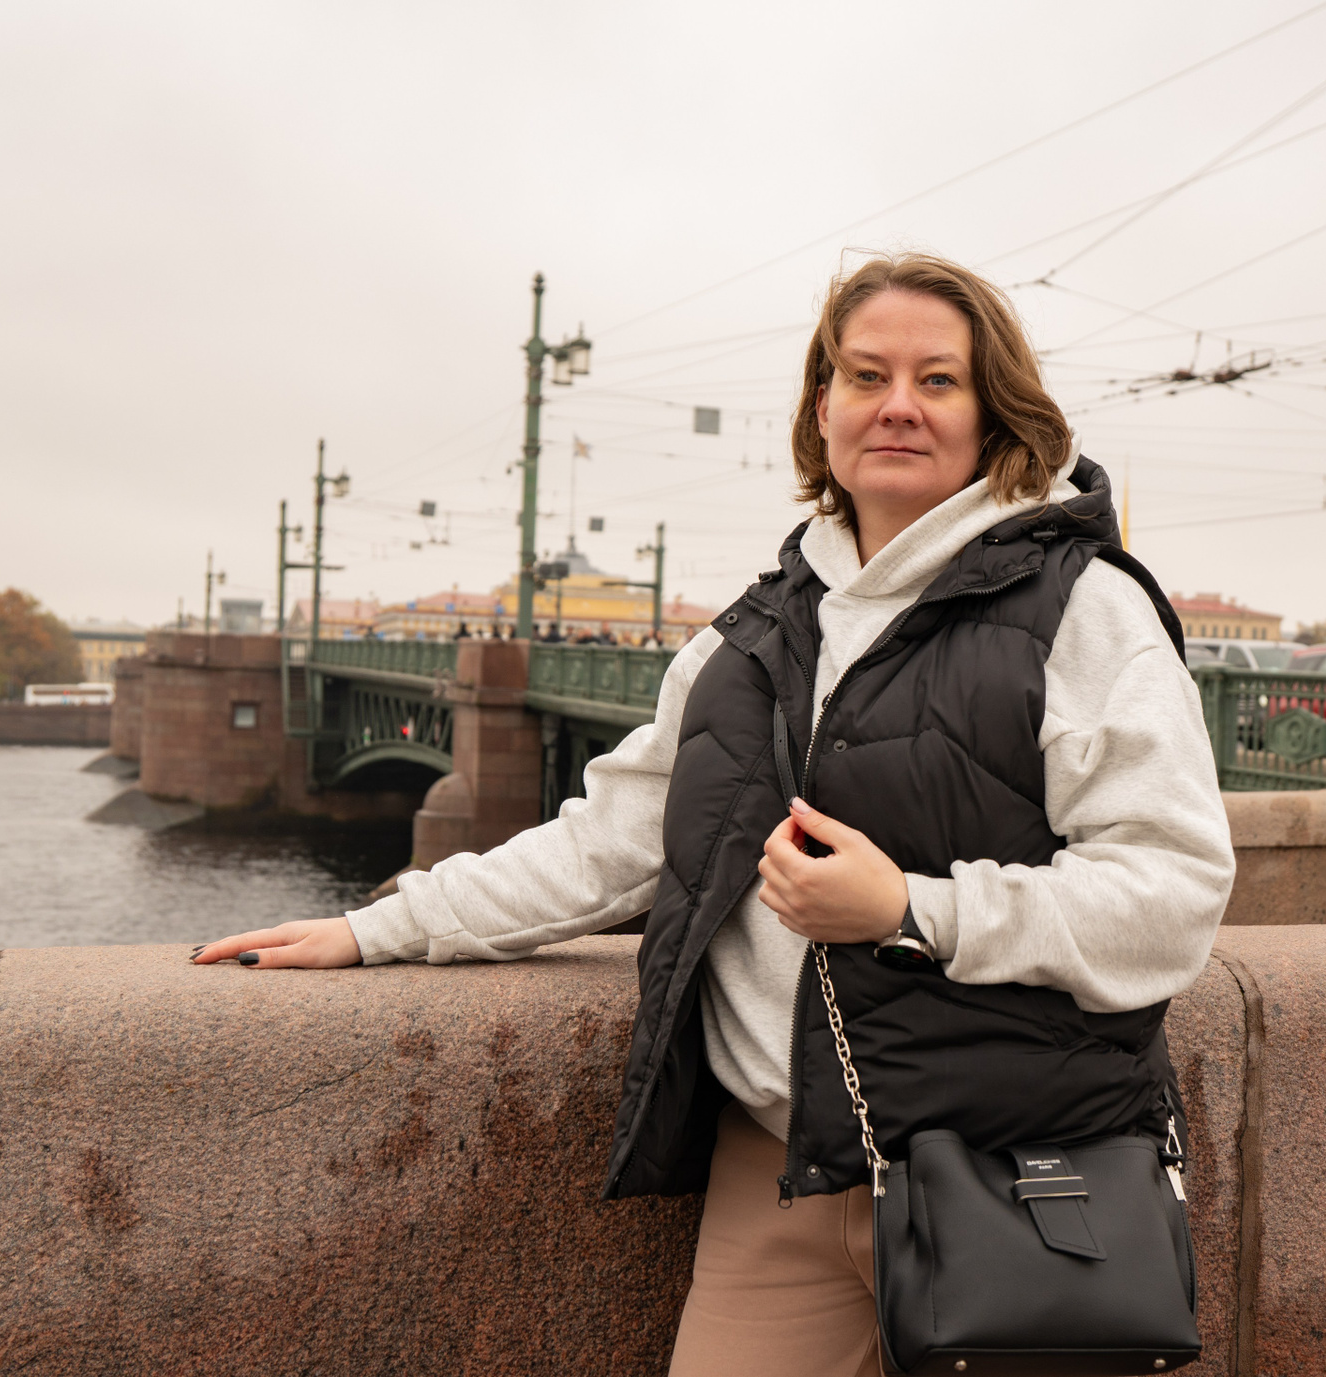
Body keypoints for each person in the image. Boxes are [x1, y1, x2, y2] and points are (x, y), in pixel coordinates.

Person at [194, 252, 1234, 1377]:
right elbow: (610, 841)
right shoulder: (750, 638)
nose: (897, 404)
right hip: (782, 1175)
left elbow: (1172, 894)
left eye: (938, 380)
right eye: (865, 375)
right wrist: (377, 927)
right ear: (822, 409)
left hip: (1023, 1178)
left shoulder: (1087, 609)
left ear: (993, 412)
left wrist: (911, 908)